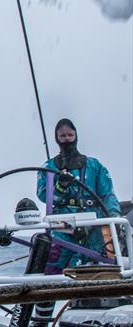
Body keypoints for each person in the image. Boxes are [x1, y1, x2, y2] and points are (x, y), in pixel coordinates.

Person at [31, 118, 121, 324]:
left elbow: (108, 194)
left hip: (93, 229)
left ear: (76, 136)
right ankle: (41, 320)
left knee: (97, 272)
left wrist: (114, 218)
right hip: (62, 229)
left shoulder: (95, 166)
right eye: (62, 136)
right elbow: (43, 194)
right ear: (56, 139)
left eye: (69, 135)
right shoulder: (48, 168)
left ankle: (94, 316)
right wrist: (60, 186)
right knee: (50, 276)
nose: (66, 139)